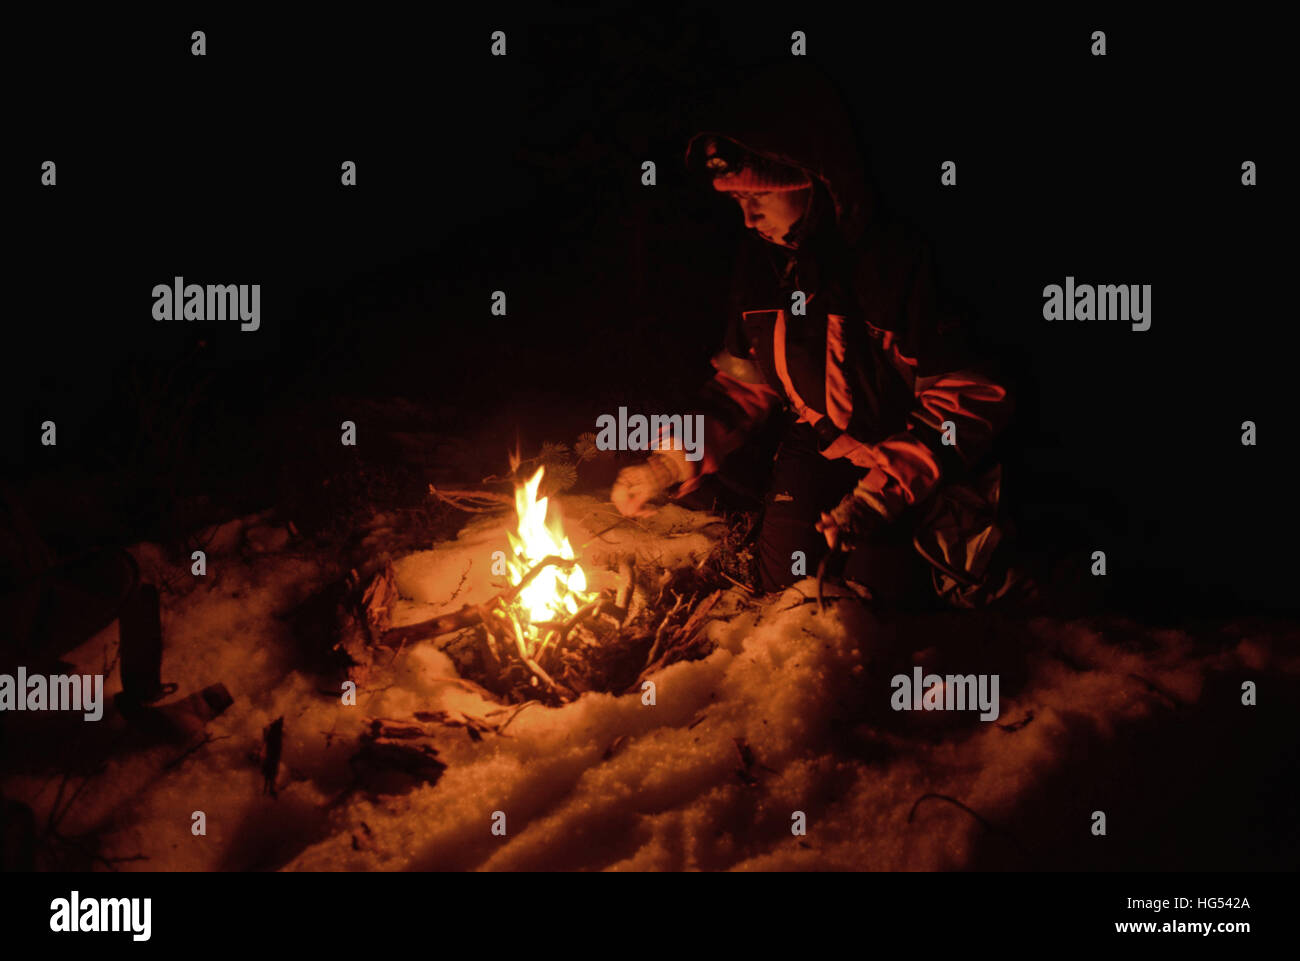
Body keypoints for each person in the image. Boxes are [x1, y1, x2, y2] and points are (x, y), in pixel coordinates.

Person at [611, 67, 1022, 608]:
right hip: (820, 443)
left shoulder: (900, 261)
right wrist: (667, 463)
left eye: (760, 197)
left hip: (909, 455)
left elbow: (969, 399)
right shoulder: (764, 264)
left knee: (866, 600)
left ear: (817, 185)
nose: (748, 217)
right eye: (736, 202)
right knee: (784, 586)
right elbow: (745, 386)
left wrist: (880, 495)